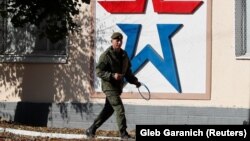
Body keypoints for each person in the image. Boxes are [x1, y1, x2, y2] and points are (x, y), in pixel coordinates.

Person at [85, 32, 141, 139]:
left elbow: (127, 72)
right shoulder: (106, 56)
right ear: (112, 41)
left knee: (108, 110)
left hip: (117, 87)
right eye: (116, 40)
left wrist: (135, 82)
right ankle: (123, 133)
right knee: (119, 108)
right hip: (109, 87)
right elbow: (98, 71)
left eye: (120, 40)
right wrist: (112, 75)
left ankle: (91, 129)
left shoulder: (124, 55)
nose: (119, 43)